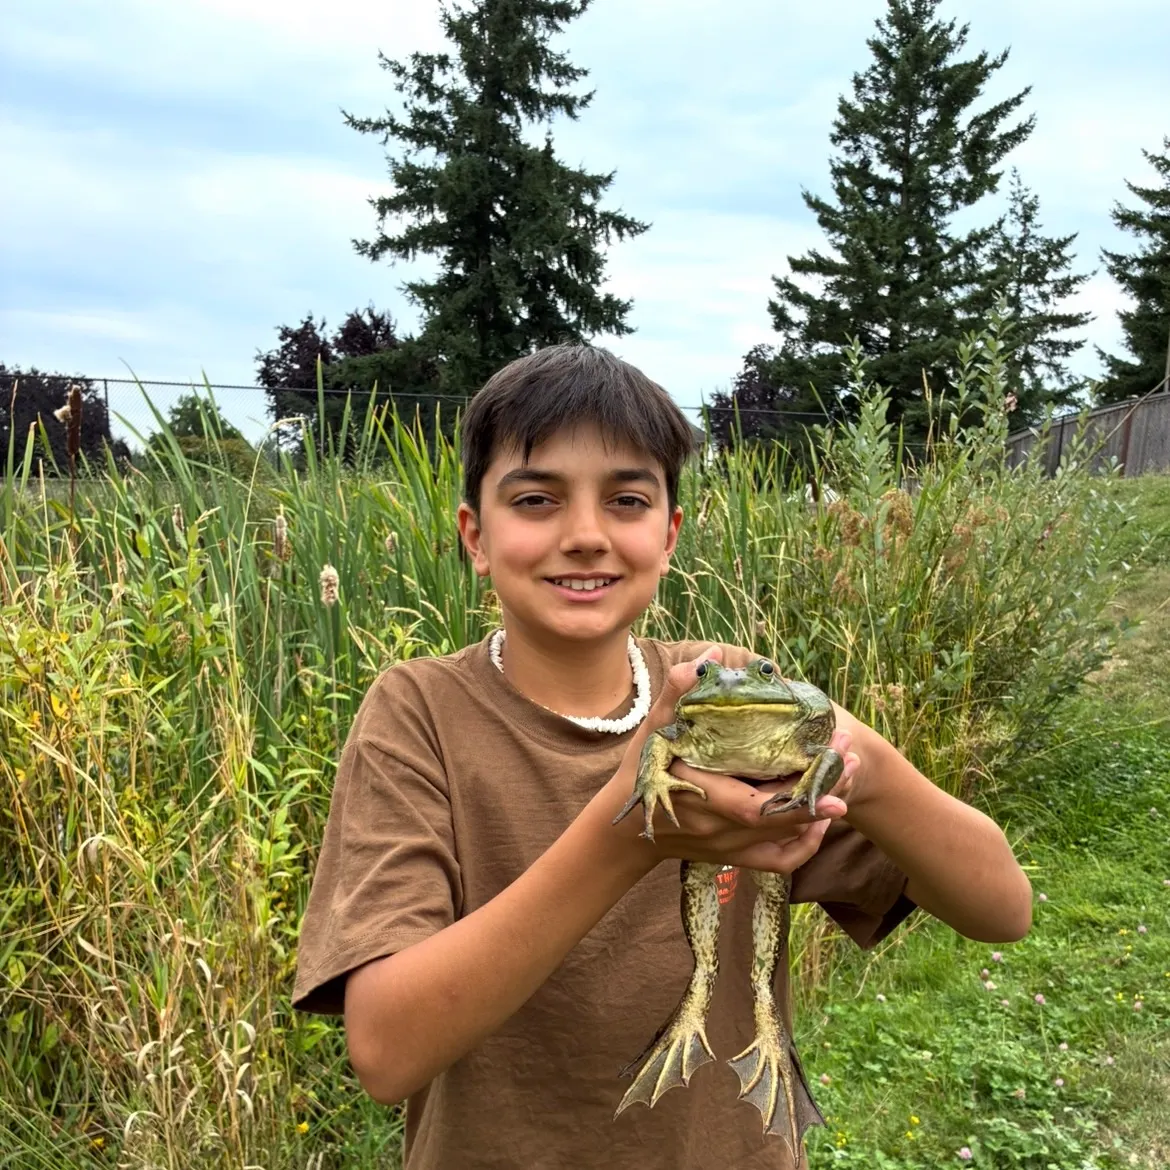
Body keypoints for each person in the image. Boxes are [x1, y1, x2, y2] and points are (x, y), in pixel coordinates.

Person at [292, 345, 1032, 1169]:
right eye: (535, 499)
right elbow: (386, 1050)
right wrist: (630, 833)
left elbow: (1002, 910)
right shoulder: (418, 711)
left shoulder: (728, 689)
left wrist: (858, 759)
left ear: (669, 533)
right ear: (476, 535)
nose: (584, 535)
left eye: (627, 499)